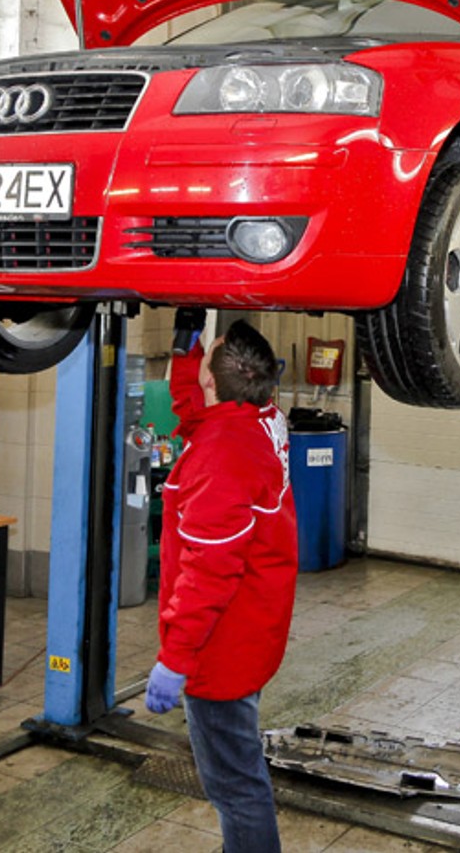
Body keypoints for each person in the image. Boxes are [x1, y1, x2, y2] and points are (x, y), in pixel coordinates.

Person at [145, 312, 297, 852]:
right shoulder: (257, 418)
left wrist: (178, 658)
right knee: (237, 777)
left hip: (220, 649)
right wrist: (186, 346)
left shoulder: (222, 457)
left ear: (216, 380)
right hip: (254, 626)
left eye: (207, 355)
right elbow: (193, 409)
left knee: (235, 787)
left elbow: (210, 574)